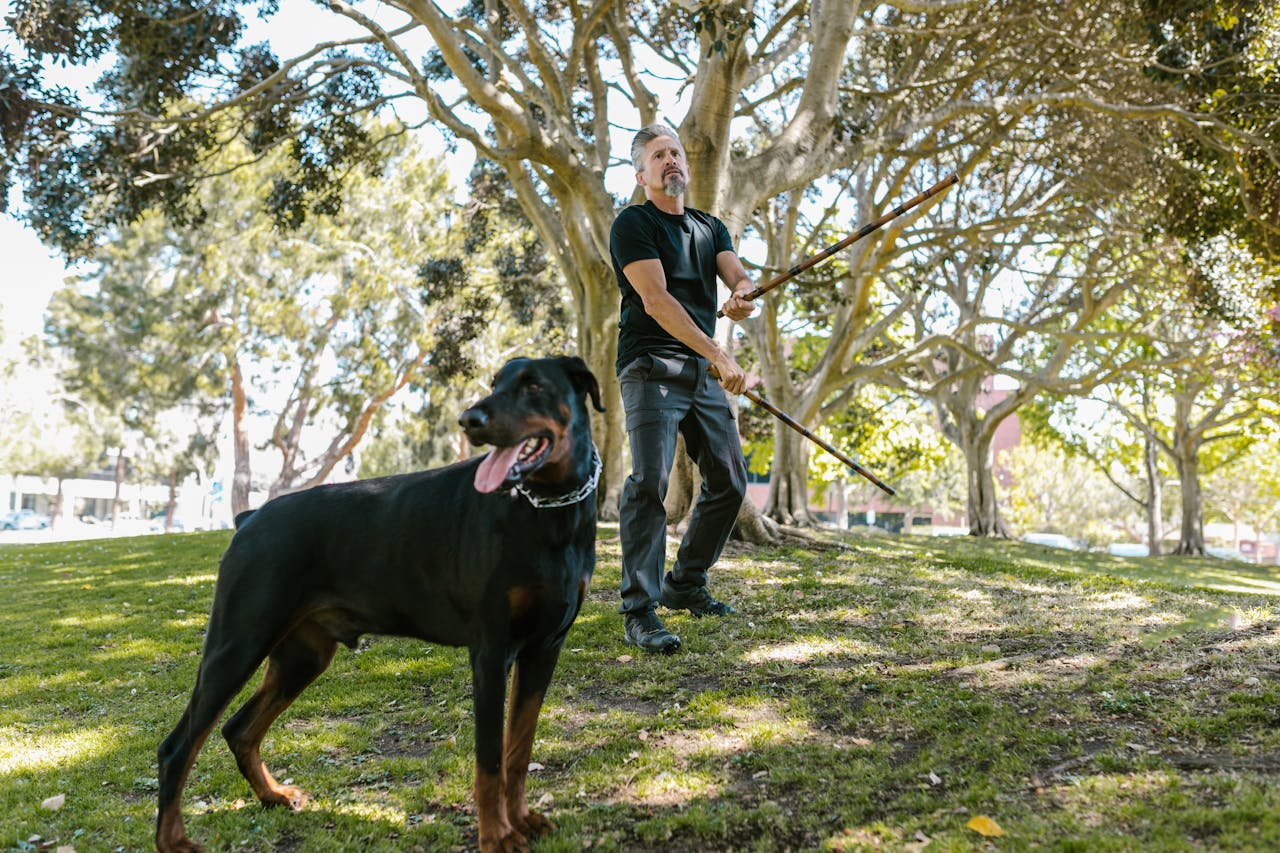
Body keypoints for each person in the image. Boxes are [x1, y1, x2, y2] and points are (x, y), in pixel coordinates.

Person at [609, 123, 755, 654]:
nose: (671, 160)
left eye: (675, 152)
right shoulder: (633, 224)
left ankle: (684, 584)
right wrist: (718, 353)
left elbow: (738, 276)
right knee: (649, 481)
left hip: (698, 371)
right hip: (650, 366)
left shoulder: (710, 227)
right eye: (658, 155)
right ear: (641, 173)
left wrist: (742, 293)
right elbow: (657, 301)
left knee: (730, 481)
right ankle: (640, 610)